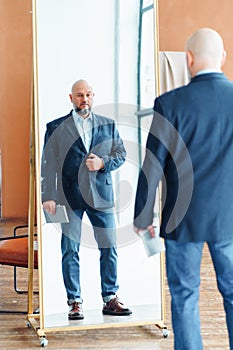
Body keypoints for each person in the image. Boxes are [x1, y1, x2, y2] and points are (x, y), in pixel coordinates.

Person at [134, 28, 233, 350]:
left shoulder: (168, 104)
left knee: (185, 296)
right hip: (230, 217)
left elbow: (152, 165)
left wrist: (142, 214)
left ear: (188, 60)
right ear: (223, 57)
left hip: (182, 217)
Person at [41, 79, 132, 320]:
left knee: (109, 246)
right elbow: (48, 165)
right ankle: (75, 301)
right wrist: (48, 196)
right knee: (70, 250)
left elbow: (121, 153)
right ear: (71, 98)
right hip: (68, 197)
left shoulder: (107, 125)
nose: (85, 98)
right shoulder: (55, 127)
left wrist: (103, 163)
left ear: (93, 96)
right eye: (80, 94)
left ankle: (110, 298)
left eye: (89, 94)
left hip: (101, 195)